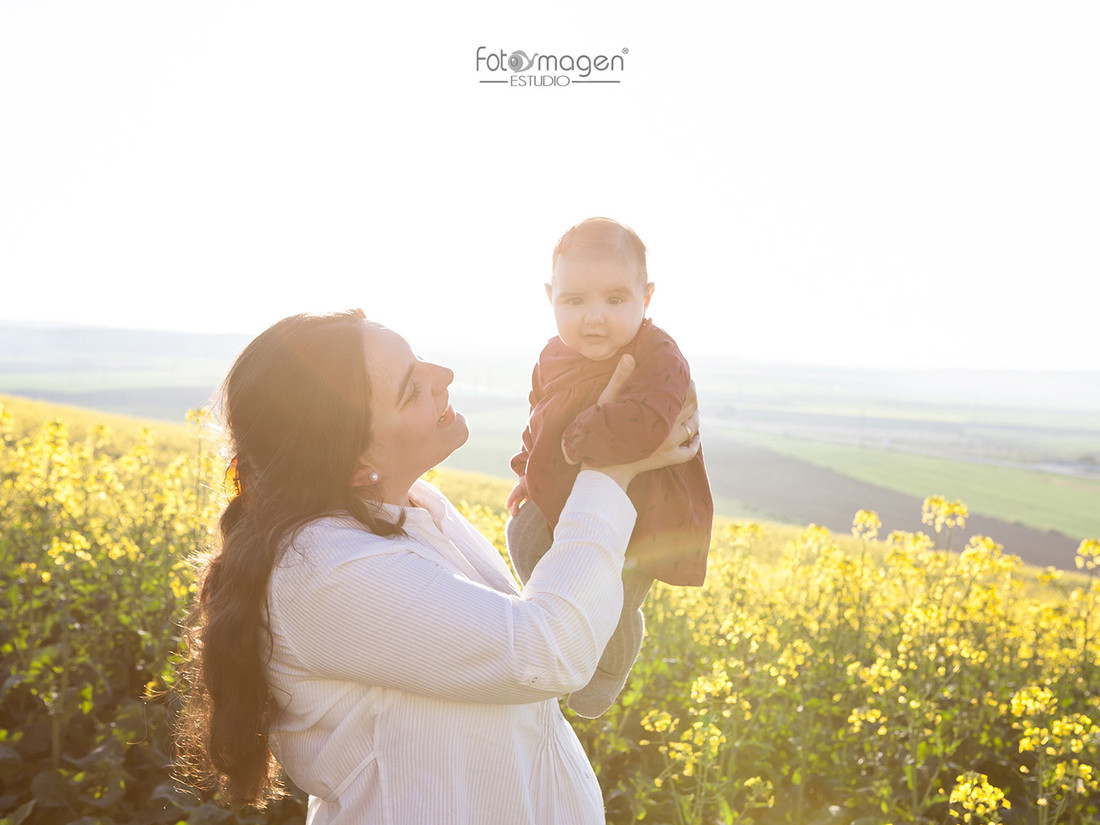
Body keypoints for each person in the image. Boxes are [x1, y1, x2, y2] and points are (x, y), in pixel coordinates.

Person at [175, 308, 700, 825]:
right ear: (359, 466)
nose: (444, 376)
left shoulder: (414, 508)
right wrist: (608, 470)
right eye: (411, 388)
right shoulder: (323, 571)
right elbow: (546, 652)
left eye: (420, 359)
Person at [507, 217, 713, 718]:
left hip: (641, 508)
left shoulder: (657, 354)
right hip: (567, 488)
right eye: (574, 301)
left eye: (615, 300)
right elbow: (538, 420)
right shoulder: (553, 354)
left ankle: (609, 663)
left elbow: (646, 428)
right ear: (550, 296)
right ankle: (572, 638)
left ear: (647, 298)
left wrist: (578, 437)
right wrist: (524, 474)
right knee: (527, 539)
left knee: (611, 590)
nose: (593, 318)